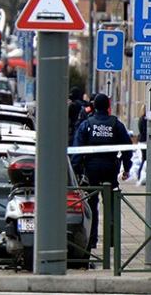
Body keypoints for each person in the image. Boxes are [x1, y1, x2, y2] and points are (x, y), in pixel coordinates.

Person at [72, 93, 132, 249]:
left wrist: (75, 170)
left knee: (91, 206)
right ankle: (111, 240)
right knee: (111, 204)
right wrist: (127, 167)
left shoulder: (87, 124)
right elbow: (127, 148)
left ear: (94, 106)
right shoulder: (116, 124)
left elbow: (78, 150)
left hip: (91, 169)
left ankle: (91, 241)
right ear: (108, 106)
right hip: (110, 169)